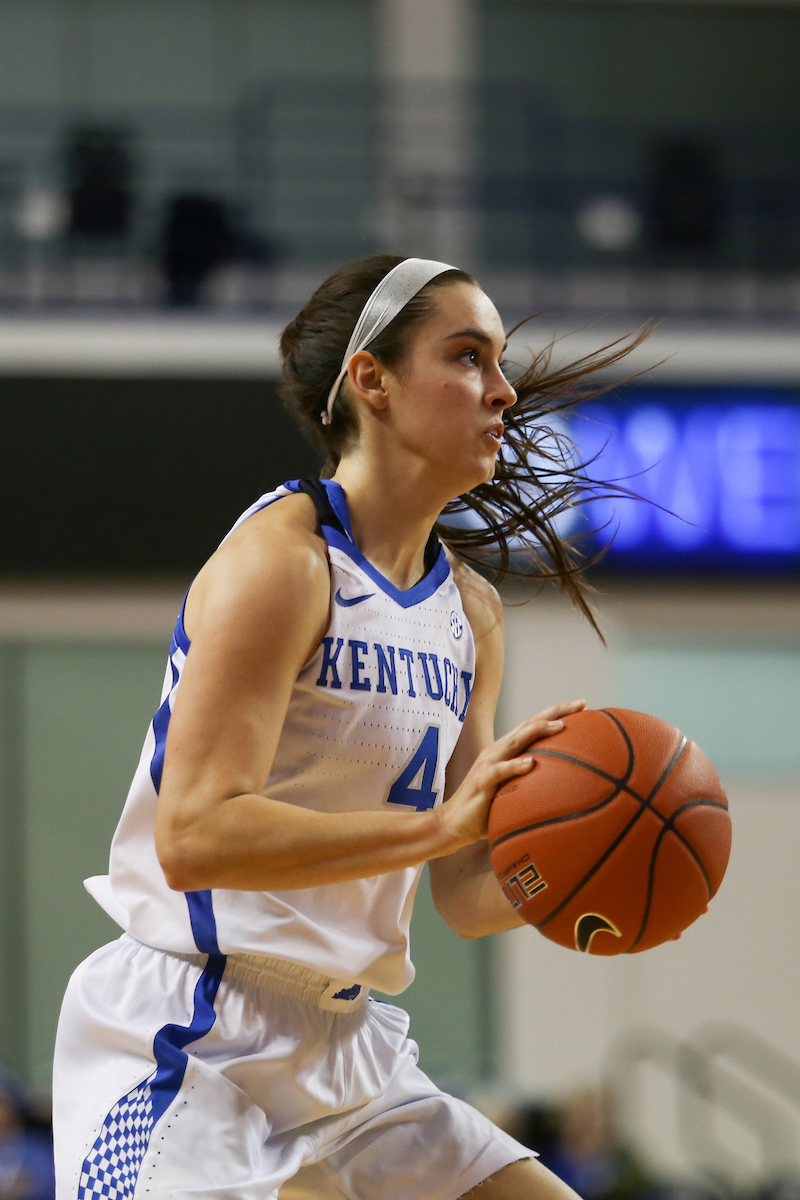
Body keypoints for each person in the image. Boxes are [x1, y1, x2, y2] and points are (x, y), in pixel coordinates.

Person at [52, 255, 644, 1200]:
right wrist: (436, 830)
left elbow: (459, 890)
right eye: (466, 357)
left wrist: (579, 874)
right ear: (371, 380)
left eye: (499, 364)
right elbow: (195, 835)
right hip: (194, 1028)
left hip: (346, 1044)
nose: (502, 391)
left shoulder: (471, 613)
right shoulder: (279, 565)